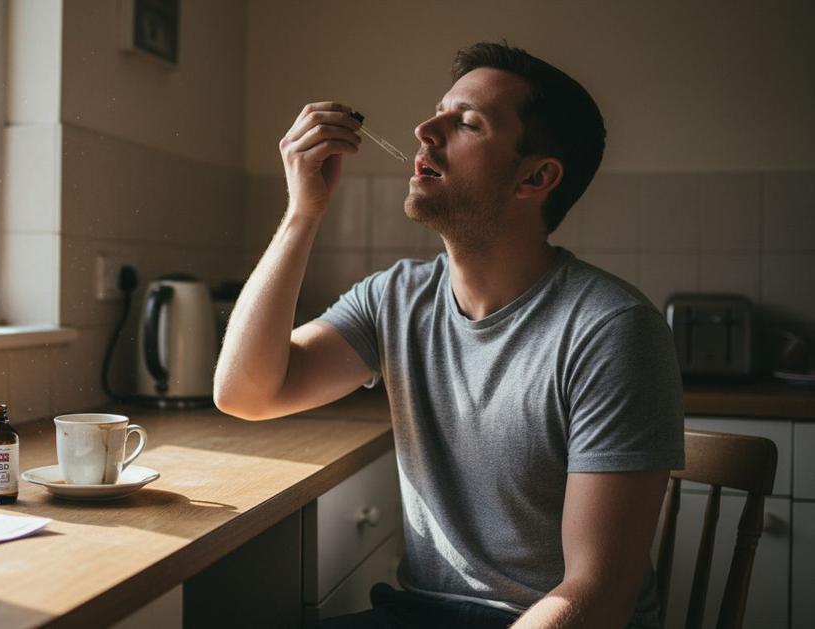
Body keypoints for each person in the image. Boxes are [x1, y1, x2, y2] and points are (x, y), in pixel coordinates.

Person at [214, 41, 684, 629]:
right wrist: (301, 211)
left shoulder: (611, 330)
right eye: (440, 110)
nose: (424, 129)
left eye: (466, 122)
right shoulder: (396, 297)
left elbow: (598, 594)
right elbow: (247, 393)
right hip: (419, 612)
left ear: (535, 176)